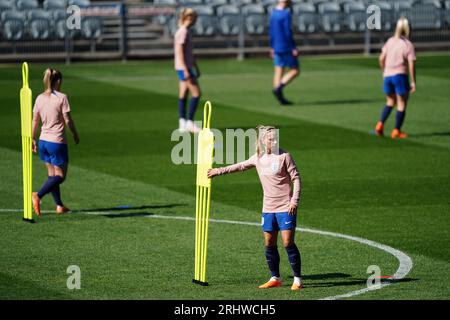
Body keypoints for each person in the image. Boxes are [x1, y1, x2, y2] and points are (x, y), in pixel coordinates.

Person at [207, 126, 303, 290]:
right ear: (263, 141)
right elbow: (239, 166)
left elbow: (296, 178)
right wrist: (218, 171)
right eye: (271, 139)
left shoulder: (284, 156)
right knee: (269, 243)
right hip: (268, 208)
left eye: (275, 138)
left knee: (288, 242)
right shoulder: (258, 158)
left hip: (285, 207)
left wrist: (294, 200)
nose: (274, 141)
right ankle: (275, 277)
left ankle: (297, 280)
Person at [31, 68, 80, 216]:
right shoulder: (62, 97)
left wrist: (32, 138)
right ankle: (38, 195)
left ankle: (59, 205)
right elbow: (68, 120)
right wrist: (75, 133)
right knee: (60, 176)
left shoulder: (39, 98)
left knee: (52, 176)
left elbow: (35, 120)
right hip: (57, 142)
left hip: (43, 141)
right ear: (58, 81)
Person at [375, 17, 416, 139]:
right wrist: (413, 81)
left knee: (390, 101)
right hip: (400, 75)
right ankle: (396, 130)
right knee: (402, 103)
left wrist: (384, 72)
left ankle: (380, 125)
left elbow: (381, 58)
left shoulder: (390, 41)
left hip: (388, 75)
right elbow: (411, 65)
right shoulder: (407, 44)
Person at [174, 8, 202, 133]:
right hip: (184, 67)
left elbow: (188, 52)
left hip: (184, 66)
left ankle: (182, 122)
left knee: (183, 93)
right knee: (196, 93)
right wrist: (186, 69)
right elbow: (180, 52)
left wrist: (196, 66)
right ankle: (189, 122)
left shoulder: (184, 31)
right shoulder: (183, 32)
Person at [269, 0, 300, 106]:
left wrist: (272, 46)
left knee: (278, 70)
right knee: (295, 70)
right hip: (285, 46)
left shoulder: (273, 12)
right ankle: (279, 89)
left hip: (276, 46)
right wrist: (293, 47)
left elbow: (271, 31)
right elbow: (287, 31)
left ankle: (280, 98)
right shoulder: (286, 13)